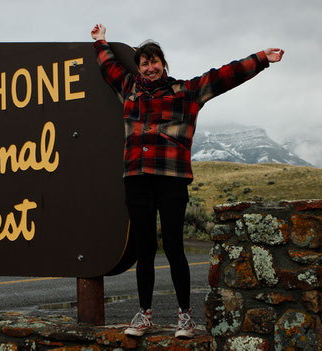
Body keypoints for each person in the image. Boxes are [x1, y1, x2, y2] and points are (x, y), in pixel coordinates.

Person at [90, 24, 283, 339]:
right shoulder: (129, 89)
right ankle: (145, 315)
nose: (150, 68)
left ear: (163, 64)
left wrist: (261, 58)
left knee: (175, 247)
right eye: (144, 63)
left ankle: (184, 317)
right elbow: (108, 67)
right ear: (138, 67)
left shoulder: (186, 92)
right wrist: (100, 41)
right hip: (137, 179)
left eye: (155, 62)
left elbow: (223, 77)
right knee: (145, 247)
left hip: (172, 180)